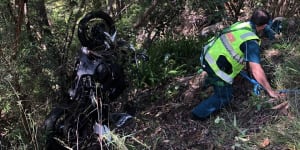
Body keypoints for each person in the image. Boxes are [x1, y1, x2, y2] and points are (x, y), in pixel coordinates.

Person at [190, 9, 283, 120]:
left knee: (214, 79)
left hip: (207, 55)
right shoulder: (251, 41)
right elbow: (256, 70)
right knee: (224, 96)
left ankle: (209, 82)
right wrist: (271, 91)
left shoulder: (241, 25)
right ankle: (196, 115)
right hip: (216, 68)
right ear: (263, 26)